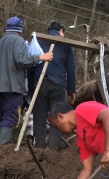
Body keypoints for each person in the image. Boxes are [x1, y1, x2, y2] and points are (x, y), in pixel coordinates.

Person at [0, 16, 53, 146]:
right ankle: (4, 149)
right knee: (10, 118)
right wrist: (41, 57)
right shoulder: (18, 41)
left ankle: (0, 150)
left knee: (3, 119)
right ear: (19, 30)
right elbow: (22, 60)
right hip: (13, 88)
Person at [27, 21, 76, 151]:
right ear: (61, 31)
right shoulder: (66, 45)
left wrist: (31, 87)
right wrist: (71, 89)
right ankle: (53, 149)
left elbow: (31, 65)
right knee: (57, 116)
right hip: (58, 85)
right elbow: (71, 68)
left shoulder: (38, 41)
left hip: (40, 83)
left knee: (39, 116)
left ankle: (39, 147)